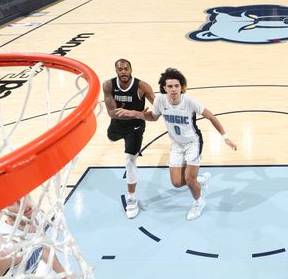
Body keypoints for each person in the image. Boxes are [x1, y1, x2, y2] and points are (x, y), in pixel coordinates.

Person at [116, 67, 237, 221]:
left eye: (176, 86)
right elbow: (153, 117)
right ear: (164, 88)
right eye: (170, 86)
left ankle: (199, 202)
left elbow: (211, 116)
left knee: (189, 180)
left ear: (182, 87)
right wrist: (135, 114)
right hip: (176, 145)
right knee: (177, 183)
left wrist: (225, 137)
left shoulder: (189, 101)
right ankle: (198, 180)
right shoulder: (160, 100)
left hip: (193, 143)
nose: (173, 89)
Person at [102, 59, 155, 219]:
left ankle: (131, 200)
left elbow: (158, 110)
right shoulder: (108, 85)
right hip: (117, 125)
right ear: (116, 71)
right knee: (110, 137)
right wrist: (133, 112)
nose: (123, 72)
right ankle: (117, 137)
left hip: (136, 127)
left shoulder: (142, 86)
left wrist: (139, 115)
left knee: (129, 160)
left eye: (126, 69)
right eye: (120, 69)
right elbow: (111, 112)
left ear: (131, 69)